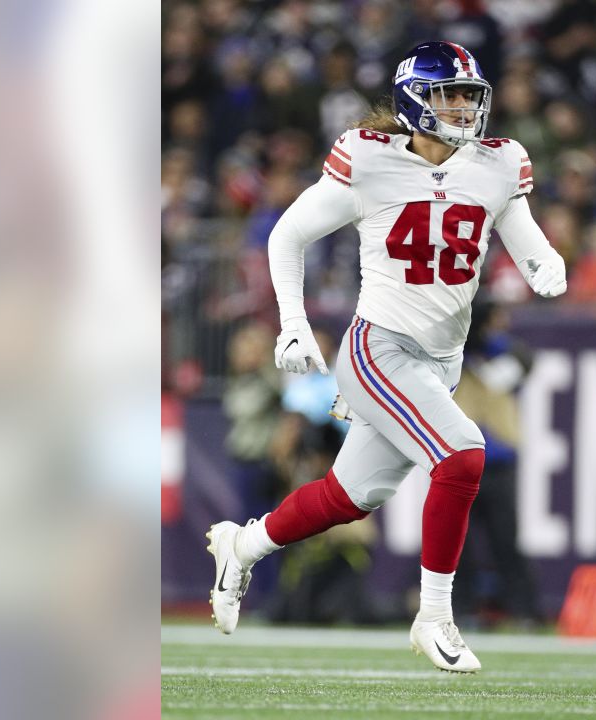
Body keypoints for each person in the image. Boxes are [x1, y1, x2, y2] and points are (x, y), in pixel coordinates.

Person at [205, 41, 567, 673]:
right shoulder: (369, 160)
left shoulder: (499, 163)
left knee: (349, 497)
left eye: (469, 95)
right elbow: (288, 233)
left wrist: (545, 262)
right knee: (462, 456)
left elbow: (522, 232)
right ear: (414, 99)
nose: (462, 106)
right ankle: (435, 617)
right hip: (380, 347)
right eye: (449, 94)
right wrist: (292, 324)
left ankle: (242, 544)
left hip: (440, 362)